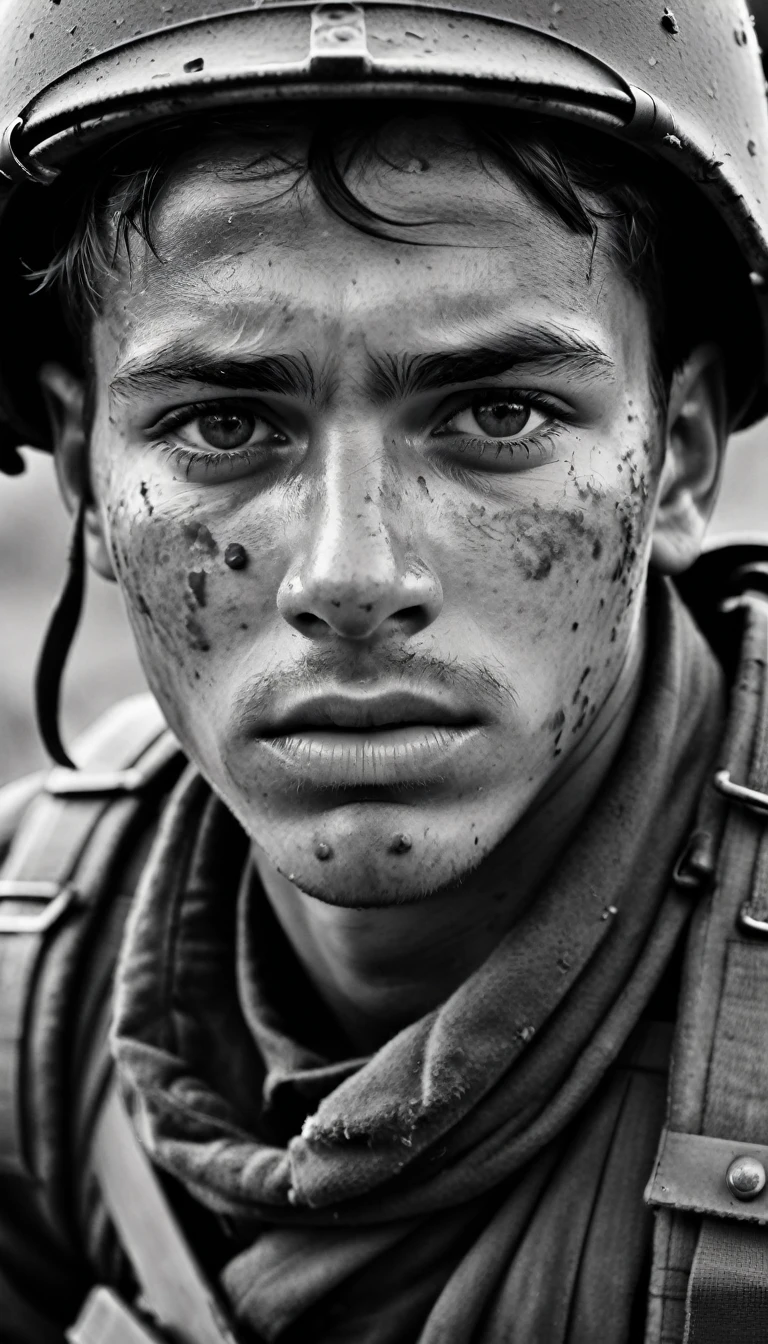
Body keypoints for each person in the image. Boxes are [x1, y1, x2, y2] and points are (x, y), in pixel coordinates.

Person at [1, 2, 768, 1342]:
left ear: (682, 455)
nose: (348, 577)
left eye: (497, 414)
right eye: (224, 423)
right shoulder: (35, 959)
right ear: (84, 478)